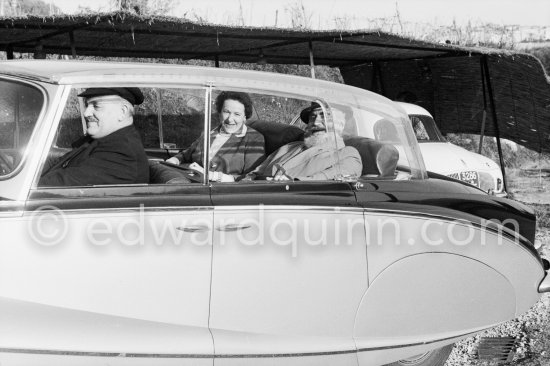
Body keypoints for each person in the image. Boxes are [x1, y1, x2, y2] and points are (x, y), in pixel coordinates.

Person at [40, 87, 149, 186]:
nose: (86, 113)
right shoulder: (104, 141)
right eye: (87, 105)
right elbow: (59, 163)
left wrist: (23, 183)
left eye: (96, 106)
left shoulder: (121, 152)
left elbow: (57, 184)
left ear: (122, 112)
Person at [245, 102, 362, 181]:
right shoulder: (290, 146)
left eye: (324, 116)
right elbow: (254, 174)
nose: (316, 122)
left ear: (340, 125)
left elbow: (324, 181)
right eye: (313, 117)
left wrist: (290, 183)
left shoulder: (348, 154)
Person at [166, 91, 265, 182]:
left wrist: (212, 175)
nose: (230, 119)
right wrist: (174, 160)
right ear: (220, 113)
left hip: (221, 193)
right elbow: (186, 154)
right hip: (190, 181)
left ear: (244, 117)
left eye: (237, 114)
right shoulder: (211, 132)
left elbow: (251, 177)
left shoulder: (254, 138)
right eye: (226, 112)